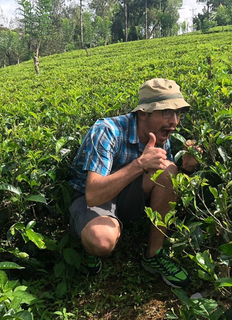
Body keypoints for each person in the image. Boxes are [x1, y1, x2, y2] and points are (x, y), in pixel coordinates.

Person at [68, 78, 201, 288]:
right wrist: (139, 164)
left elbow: (168, 184)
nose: (174, 121)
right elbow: (93, 194)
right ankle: (87, 244)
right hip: (93, 199)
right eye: (166, 112)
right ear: (143, 113)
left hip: (129, 194)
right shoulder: (107, 131)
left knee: (169, 170)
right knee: (101, 240)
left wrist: (186, 167)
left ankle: (154, 255)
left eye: (177, 114)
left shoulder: (165, 137)